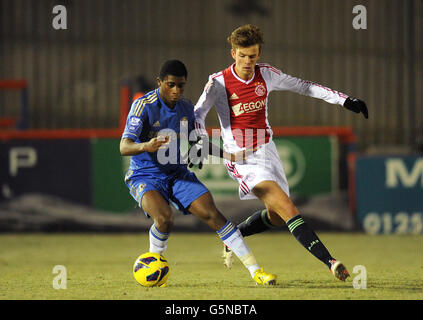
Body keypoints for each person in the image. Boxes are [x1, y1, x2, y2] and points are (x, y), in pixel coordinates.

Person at [193, 24, 369, 282]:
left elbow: (304, 86)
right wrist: (199, 142)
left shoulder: (267, 74)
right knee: (287, 207)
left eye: (252, 56)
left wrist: (344, 100)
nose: (247, 62)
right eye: (242, 56)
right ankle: (330, 262)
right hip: (242, 159)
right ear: (233, 54)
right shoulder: (218, 82)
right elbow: (197, 113)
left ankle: (233, 237)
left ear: (259, 54)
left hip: (268, 150)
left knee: (276, 217)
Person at [120, 59, 276, 285]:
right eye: (171, 85)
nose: (176, 91)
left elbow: (197, 141)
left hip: (177, 174)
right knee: (164, 219)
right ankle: (155, 262)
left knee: (213, 213)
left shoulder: (185, 108)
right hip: (145, 175)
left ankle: (256, 271)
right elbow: (124, 147)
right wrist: (146, 145)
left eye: (181, 85)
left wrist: (231, 156)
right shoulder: (144, 106)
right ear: (160, 82)